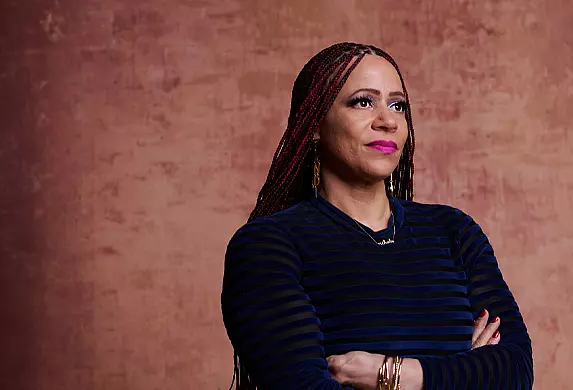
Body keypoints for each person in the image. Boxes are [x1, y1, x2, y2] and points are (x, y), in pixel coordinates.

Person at [221, 42, 533, 390]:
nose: (387, 121)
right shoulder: (268, 246)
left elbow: (516, 370)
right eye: (363, 102)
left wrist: (390, 374)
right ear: (314, 126)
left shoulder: (454, 232)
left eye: (397, 105)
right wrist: (466, 373)